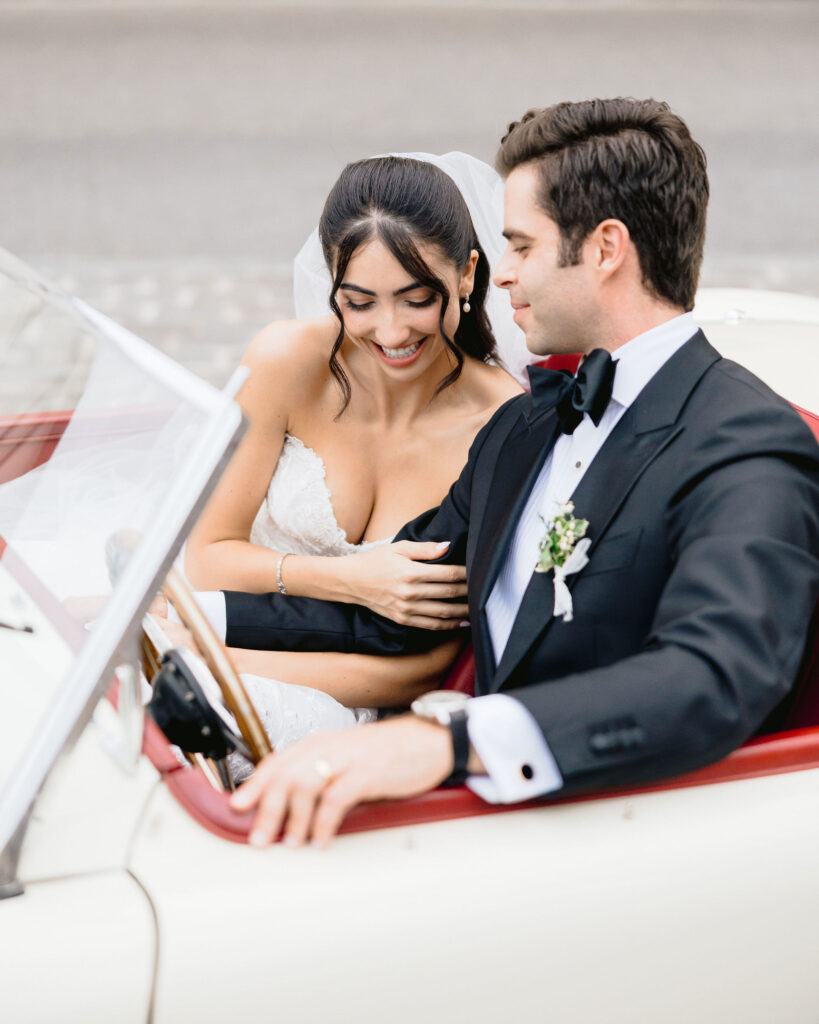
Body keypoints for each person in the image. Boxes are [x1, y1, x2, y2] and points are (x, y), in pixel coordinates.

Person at [223, 97, 819, 848]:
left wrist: (452, 742)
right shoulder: (526, 422)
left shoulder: (742, 441)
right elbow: (395, 600)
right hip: (483, 823)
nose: (498, 279)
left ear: (605, 249)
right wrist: (180, 618)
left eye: (520, 246)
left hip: (614, 836)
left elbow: (713, 674)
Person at [176, 153, 522, 751]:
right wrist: (352, 579)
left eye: (416, 300)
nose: (389, 332)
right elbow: (207, 557)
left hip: (350, 711)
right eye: (359, 303)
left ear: (467, 275)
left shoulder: (502, 424)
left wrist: (211, 665)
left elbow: (415, 669)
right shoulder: (287, 361)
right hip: (210, 627)